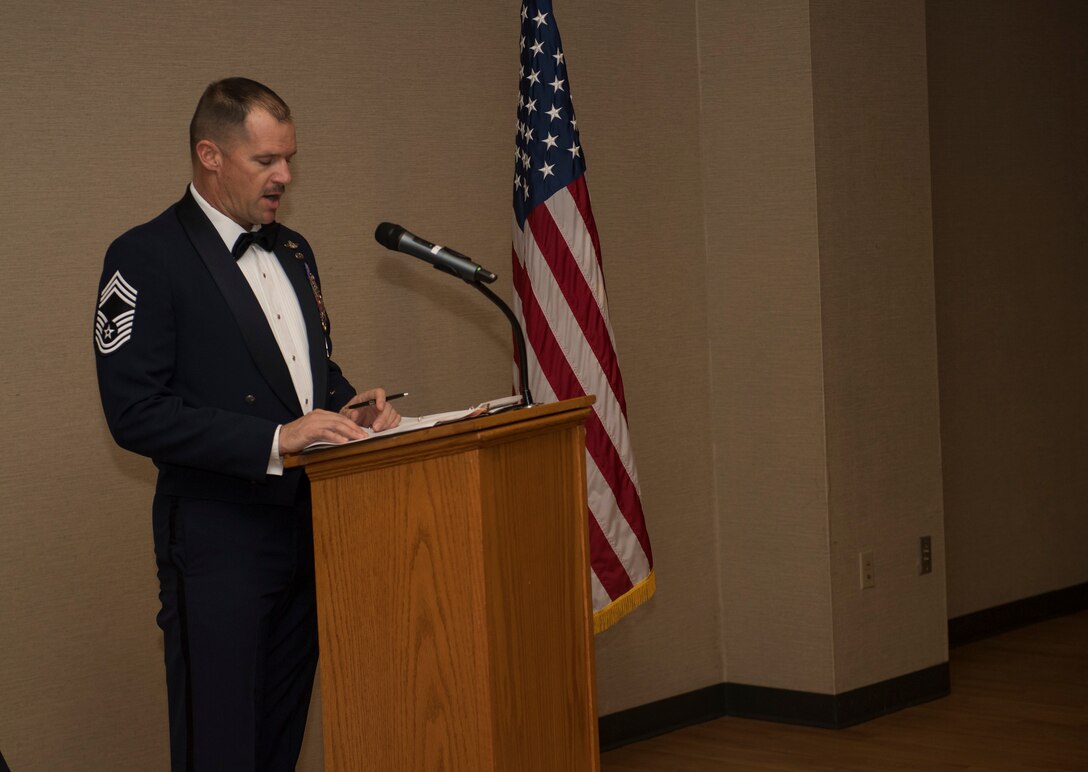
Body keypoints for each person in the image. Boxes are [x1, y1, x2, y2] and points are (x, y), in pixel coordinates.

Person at [94, 77, 399, 771]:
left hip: (309, 528)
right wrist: (272, 440)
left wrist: (352, 407)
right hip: (217, 539)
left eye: (289, 158)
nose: (285, 177)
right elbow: (134, 411)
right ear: (210, 155)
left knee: (278, 738)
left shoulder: (293, 250)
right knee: (222, 747)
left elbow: (306, 375)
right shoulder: (146, 255)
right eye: (266, 161)